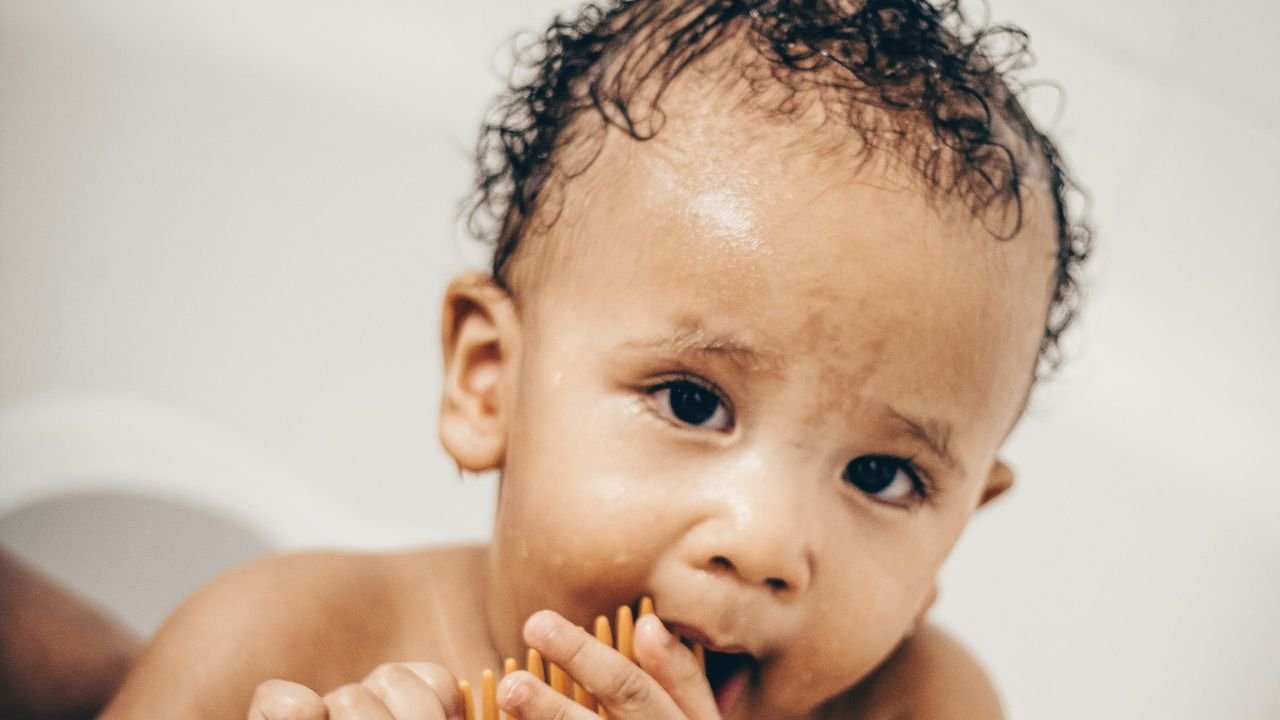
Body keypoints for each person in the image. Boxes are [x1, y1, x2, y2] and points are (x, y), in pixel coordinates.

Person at [100, 1, 1091, 718]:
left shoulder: (922, 706)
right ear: (491, 381)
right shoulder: (277, 644)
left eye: (883, 476)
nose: (761, 544)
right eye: (692, 402)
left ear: (949, 546)